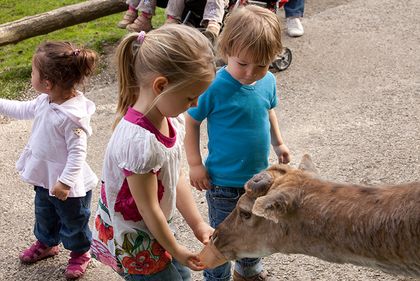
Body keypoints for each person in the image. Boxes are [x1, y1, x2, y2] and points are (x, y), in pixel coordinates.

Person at [90, 24, 216, 280]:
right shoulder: (139, 142)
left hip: (154, 227)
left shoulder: (171, 119)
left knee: (182, 276)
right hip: (135, 238)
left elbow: (174, 176)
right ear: (160, 86)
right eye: (190, 97)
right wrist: (177, 250)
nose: (195, 105)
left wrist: (198, 224)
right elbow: (147, 208)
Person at [184, 5, 291, 281]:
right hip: (222, 183)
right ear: (227, 50)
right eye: (242, 63)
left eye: (261, 65)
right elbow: (192, 121)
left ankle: (248, 272)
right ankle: (216, 277)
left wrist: (278, 144)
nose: (250, 73)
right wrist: (195, 164)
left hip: (258, 180)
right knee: (222, 237)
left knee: (254, 230)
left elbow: (269, 111)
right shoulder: (214, 86)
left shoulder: (267, 81)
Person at [0, 41, 99, 279]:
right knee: (44, 213)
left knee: (73, 220)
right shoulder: (46, 100)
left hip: (67, 186)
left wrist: (65, 182)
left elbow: (78, 154)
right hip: (45, 176)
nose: (30, 75)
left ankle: (80, 252)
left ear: (47, 83)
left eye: (33, 72)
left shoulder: (72, 117)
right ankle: (47, 242)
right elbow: (22, 109)